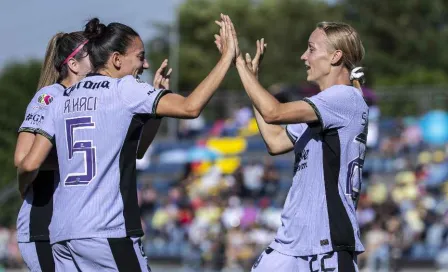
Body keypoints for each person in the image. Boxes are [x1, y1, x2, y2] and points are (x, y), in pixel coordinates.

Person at [17, 15, 236, 271]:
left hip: (63, 234)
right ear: (117, 59)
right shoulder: (124, 88)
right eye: (140, 56)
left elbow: (30, 162)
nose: (145, 64)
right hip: (106, 229)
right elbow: (191, 107)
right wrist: (225, 60)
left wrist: (24, 189)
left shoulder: (62, 98)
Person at [216, 15, 368, 271]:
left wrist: (238, 63)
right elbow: (275, 141)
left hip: (326, 246)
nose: (303, 57)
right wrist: (252, 80)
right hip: (291, 244)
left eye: (311, 49)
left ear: (335, 57)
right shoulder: (322, 107)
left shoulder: (343, 98)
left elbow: (273, 112)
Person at [14, 31, 91, 272]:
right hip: (43, 221)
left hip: (75, 225)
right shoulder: (49, 96)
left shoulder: (92, 98)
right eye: (93, 53)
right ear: (73, 64)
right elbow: (23, 158)